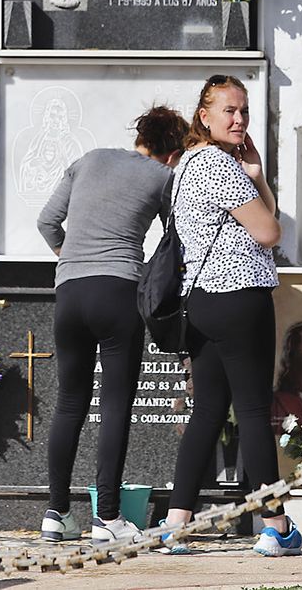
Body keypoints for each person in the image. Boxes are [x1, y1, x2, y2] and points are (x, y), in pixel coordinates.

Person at [159, 75, 302, 557]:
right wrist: (254, 181)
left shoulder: (186, 165)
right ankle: (275, 525)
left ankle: (176, 523)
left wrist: (258, 175)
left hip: (201, 300)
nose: (239, 119)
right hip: (239, 297)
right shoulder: (219, 166)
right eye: (228, 111)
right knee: (255, 412)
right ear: (204, 116)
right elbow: (268, 231)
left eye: (243, 111)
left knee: (207, 411)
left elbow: (260, 217)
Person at [34, 105, 189, 545]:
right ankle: (108, 518)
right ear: (173, 151)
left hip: (70, 293)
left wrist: (71, 257)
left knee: (69, 403)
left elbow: (46, 221)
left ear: (139, 136)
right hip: (118, 290)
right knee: (115, 405)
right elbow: (174, 240)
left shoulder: (89, 160)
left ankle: (55, 513)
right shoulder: (164, 178)